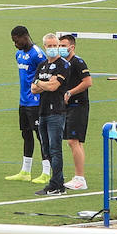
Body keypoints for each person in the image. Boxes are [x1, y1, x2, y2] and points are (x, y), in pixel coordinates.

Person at [2, 26, 52, 183]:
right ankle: (25, 171)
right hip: (23, 101)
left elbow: (46, 76)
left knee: (41, 136)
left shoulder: (38, 54)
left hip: (35, 102)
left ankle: (46, 172)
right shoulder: (19, 54)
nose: (15, 44)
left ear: (25, 37)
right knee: (26, 134)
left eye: (16, 41)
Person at [32, 33, 72, 196]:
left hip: (56, 111)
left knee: (55, 149)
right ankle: (57, 182)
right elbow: (33, 89)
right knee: (46, 149)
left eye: (55, 45)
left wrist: (40, 83)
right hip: (42, 111)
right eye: (49, 46)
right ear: (45, 47)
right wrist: (44, 84)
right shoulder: (42, 65)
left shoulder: (63, 65)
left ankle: (57, 184)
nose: (52, 48)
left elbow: (53, 86)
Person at [60, 34, 93, 190]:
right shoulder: (62, 63)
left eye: (63, 45)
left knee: (73, 141)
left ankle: (80, 178)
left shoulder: (78, 62)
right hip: (68, 107)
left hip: (78, 106)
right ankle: (79, 177)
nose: (60, 48)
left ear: (71, 47)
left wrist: (70, 92)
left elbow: (88, 82)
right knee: (75, 142)